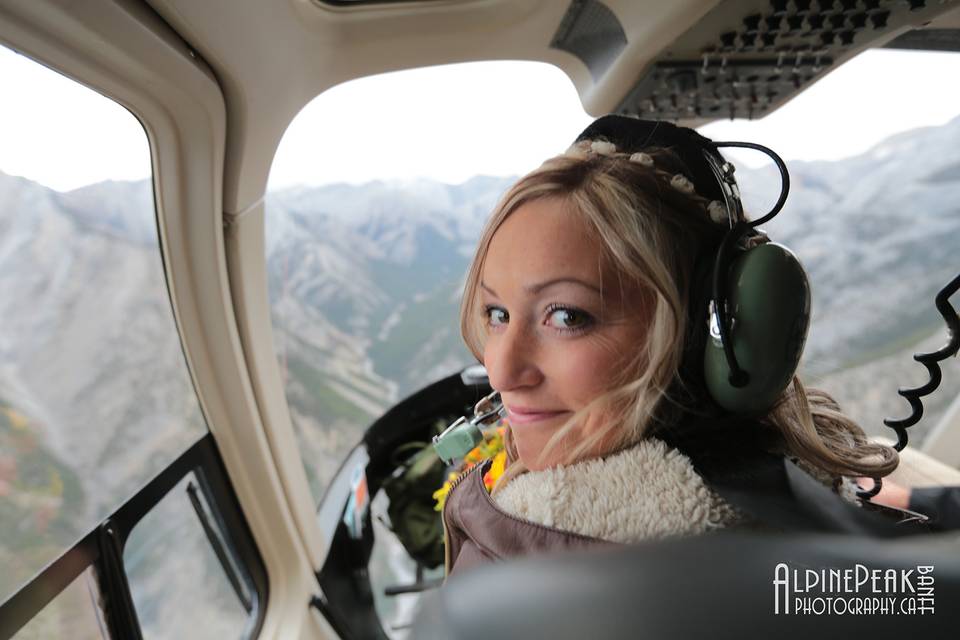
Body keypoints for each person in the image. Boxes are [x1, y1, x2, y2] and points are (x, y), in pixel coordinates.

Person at [440, 116, 905, 579]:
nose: (501, 372)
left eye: (567, 316)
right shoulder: (812, 518)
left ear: (708, 330)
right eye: (497, 314)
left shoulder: (521, 566)